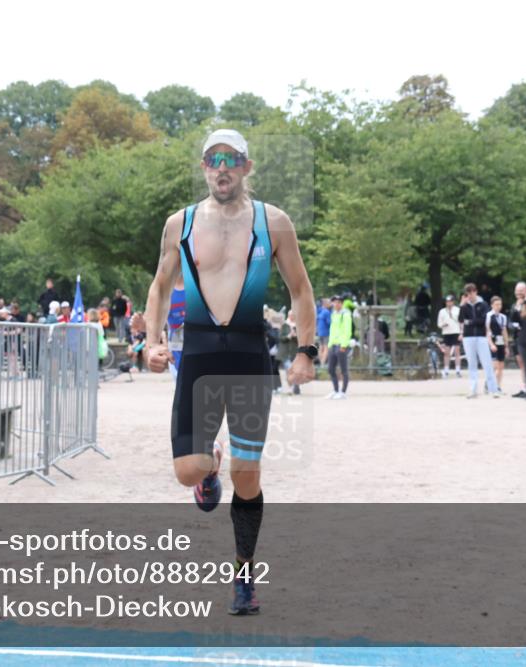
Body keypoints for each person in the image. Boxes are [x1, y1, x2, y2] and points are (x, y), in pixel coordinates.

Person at [143, 129, 316, 616]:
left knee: (248, 477)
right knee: (188, 472)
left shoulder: (273, 222)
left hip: (248, 357)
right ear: (203, 167)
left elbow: (301, 289)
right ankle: (209, 464)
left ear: (246, 166)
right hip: (198, 357)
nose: (222, 168)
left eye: (232, 159)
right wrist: (153, 342)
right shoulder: (180, 223)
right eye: (213, 160)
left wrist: (306, 351)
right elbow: (160, 286)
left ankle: (243, 575)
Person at [458, 283, 499, 399]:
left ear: (476, 292)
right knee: (471, 364)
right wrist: (461, 306)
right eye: (468, 293)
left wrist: (470, 322)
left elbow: (483, 320)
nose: (470, 295)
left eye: (472, 292)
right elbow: (461, 320)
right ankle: (473, 390)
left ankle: (493, 389)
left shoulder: (483, 304)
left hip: (481, 336)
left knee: (487, 363)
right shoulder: (465, 306)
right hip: (468, 337)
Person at [326, 295, 351, 399]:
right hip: (333, 344)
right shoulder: (334, 314)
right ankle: (335, 390)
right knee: (330, 369)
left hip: (341, 345)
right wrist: (329, 344)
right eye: (334, 302)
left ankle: (343, 392)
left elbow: (347, 330)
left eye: (338, 302)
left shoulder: (345, 314)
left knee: (343, 369)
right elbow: (332, 329)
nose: (336, 304)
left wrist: (344, 345)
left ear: (341, 303)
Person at [508, 282, 526, 397]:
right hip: (517, 336)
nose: (519, 293)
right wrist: (511, 325)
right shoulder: (514, 305)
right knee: (521, 364)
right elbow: (511, 319)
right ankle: (524, 387)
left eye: (521, 290)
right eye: (517, 290)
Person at [485, 296, 508, 394]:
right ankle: (489, 384)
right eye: (496, 304)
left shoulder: (503, 317)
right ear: (492, 305)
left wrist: (506, 345)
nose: (498, 306)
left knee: (501, 366)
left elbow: (504, 331)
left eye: (500, 304)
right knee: (495, 366)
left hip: (501, 342)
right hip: (493, 341)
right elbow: (487, 331)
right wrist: (491, 344)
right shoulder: (488, 316)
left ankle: (498, 386)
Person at [436, 294, 462, 378]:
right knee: (447, 352)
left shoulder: (457, 310)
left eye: (450, 301)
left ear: (453, 302)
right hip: (446, 332)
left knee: (457, 351)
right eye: (447, 302)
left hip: (456, 331)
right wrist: (443, 324)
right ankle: (446, 370)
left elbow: (461, 321)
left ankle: (458, 370)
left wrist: (461, 333)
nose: (449, 303)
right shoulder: (442, 311)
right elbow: (439, 324)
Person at [316, 298, 331, 365]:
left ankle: (320, 362)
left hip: (320, 332)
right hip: (326, 332)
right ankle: (323, 363)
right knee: (326, 348)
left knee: (320, 347)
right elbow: (329, 322)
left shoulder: (319, 311)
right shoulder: (327, 312)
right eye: (329, 303)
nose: (330, 304)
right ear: (325, 304)